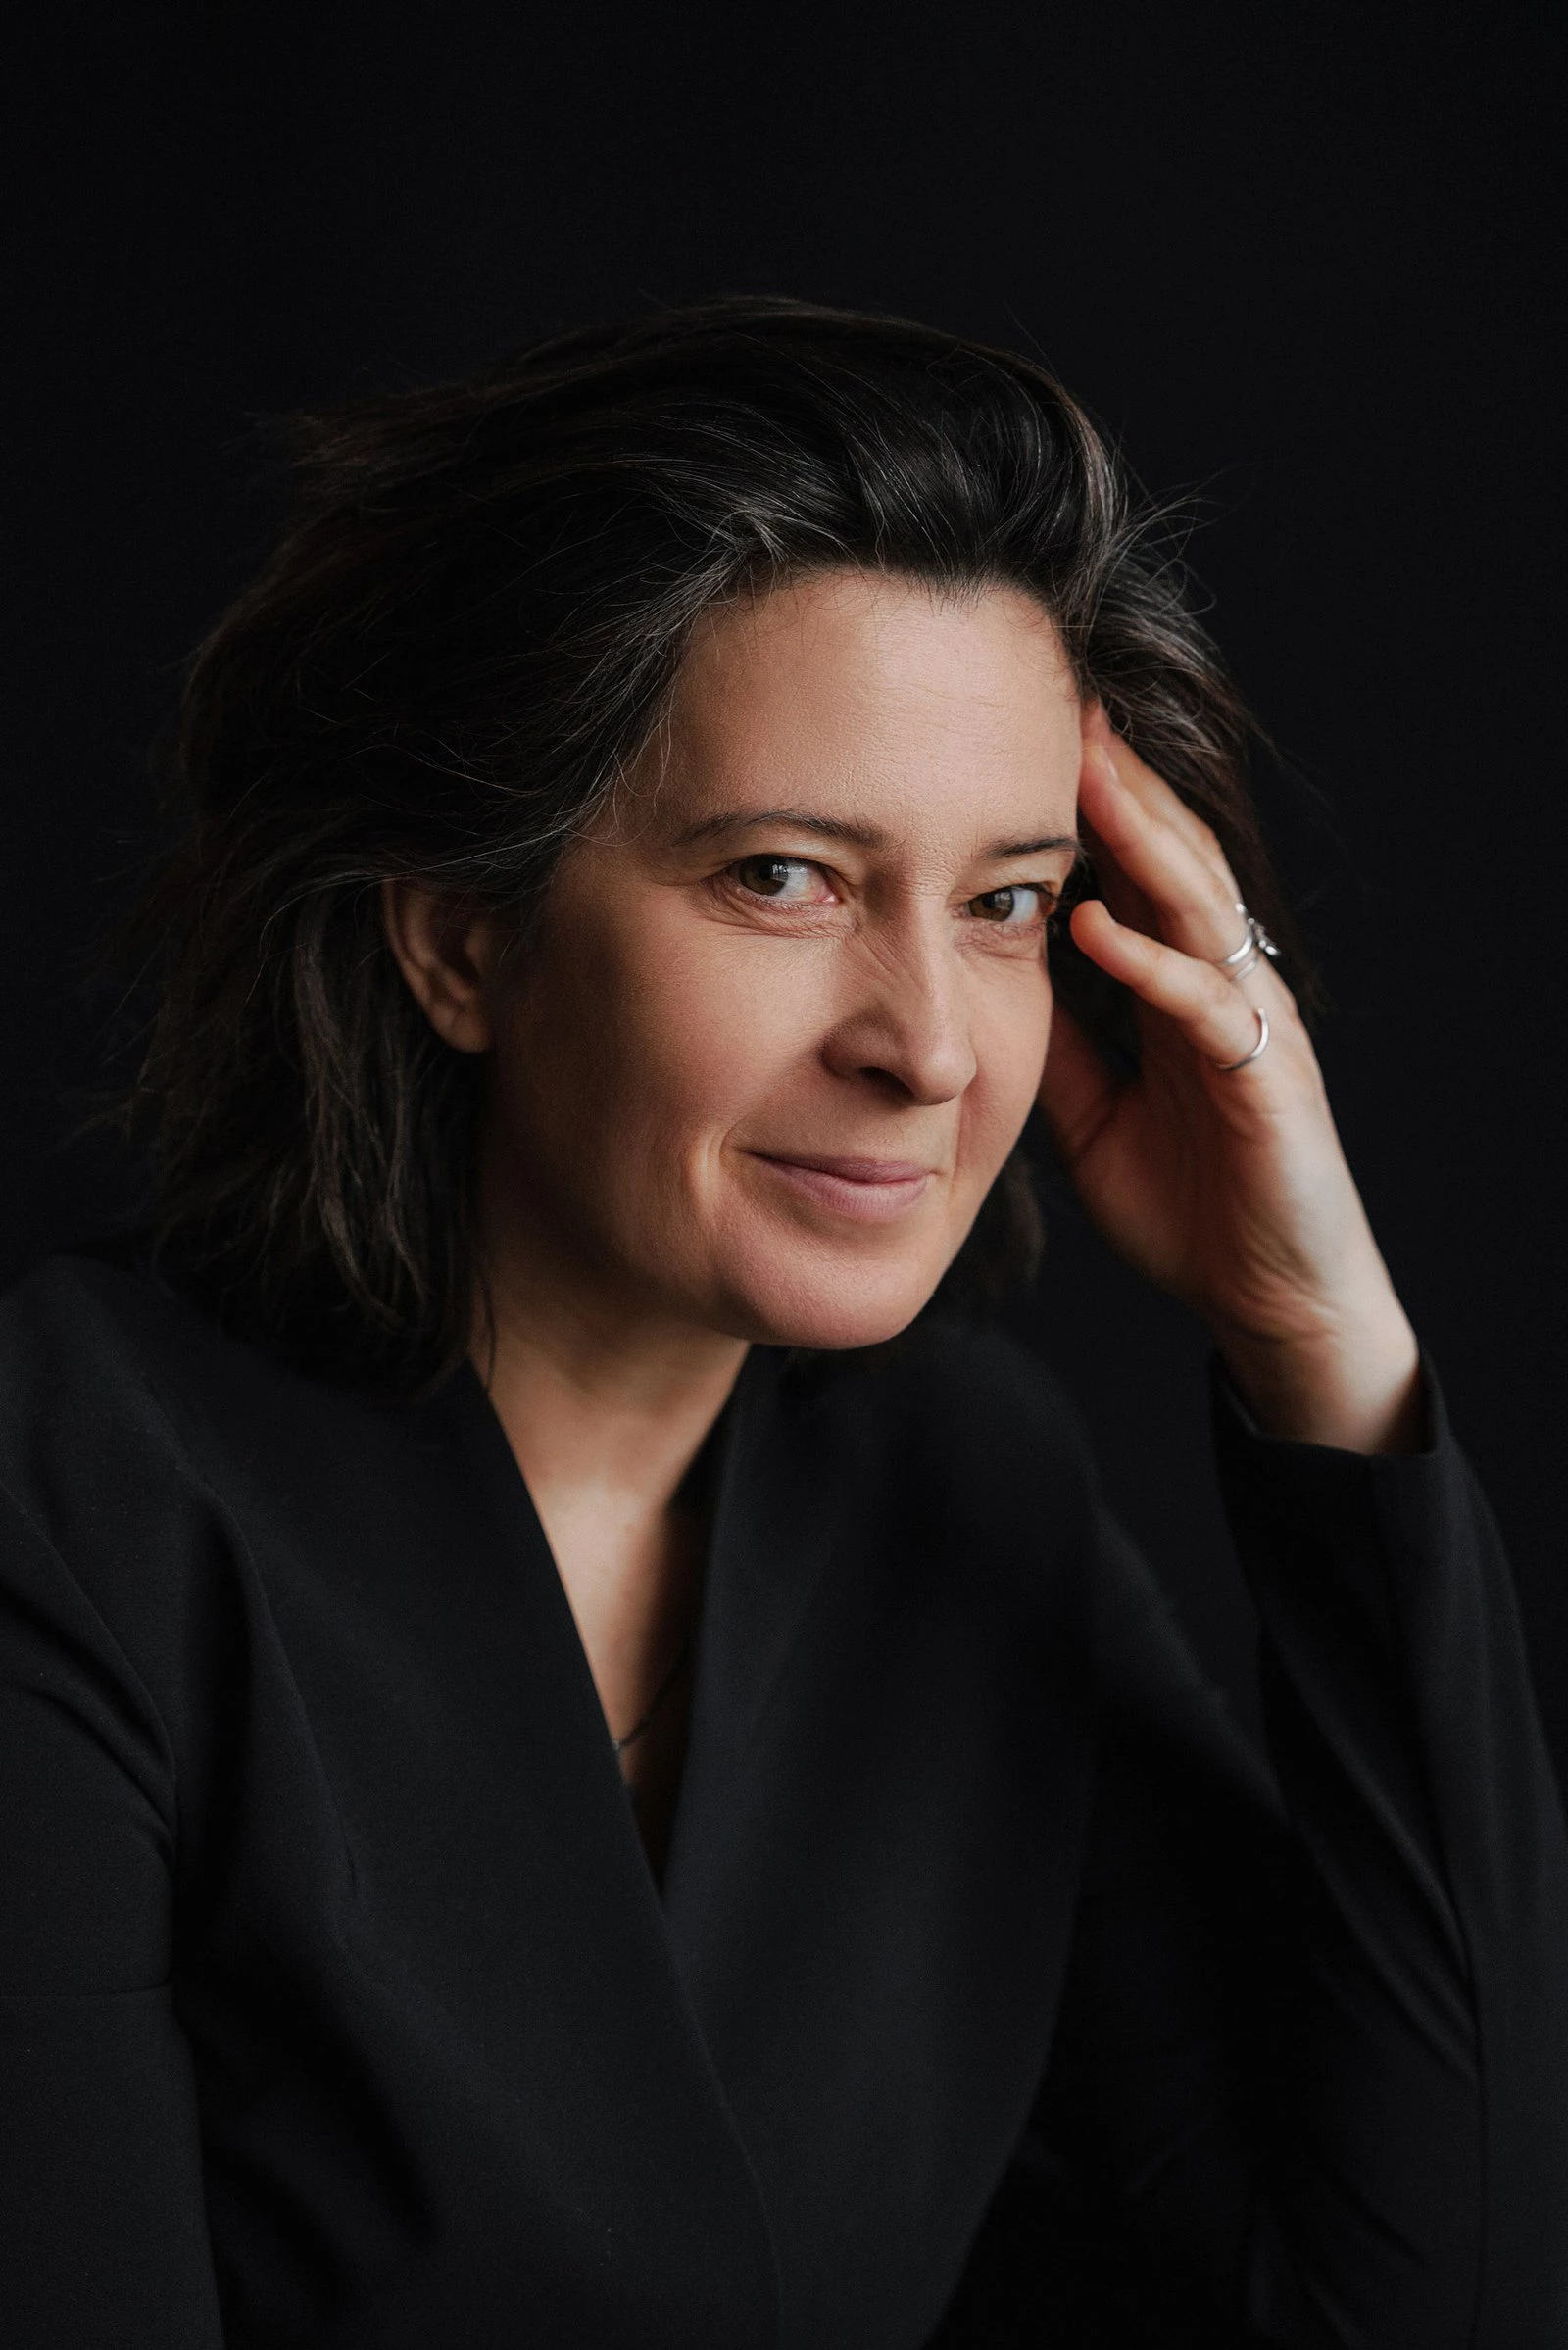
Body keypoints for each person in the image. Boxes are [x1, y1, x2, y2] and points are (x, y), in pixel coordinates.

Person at [1, 297, 1564, 2350]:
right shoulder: (73, 1486)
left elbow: (1436, 2296)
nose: (929, 1045)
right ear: (461, 937)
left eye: (1004, 900)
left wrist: (1321, 1337)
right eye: (782, 876)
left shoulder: (966, 1489)